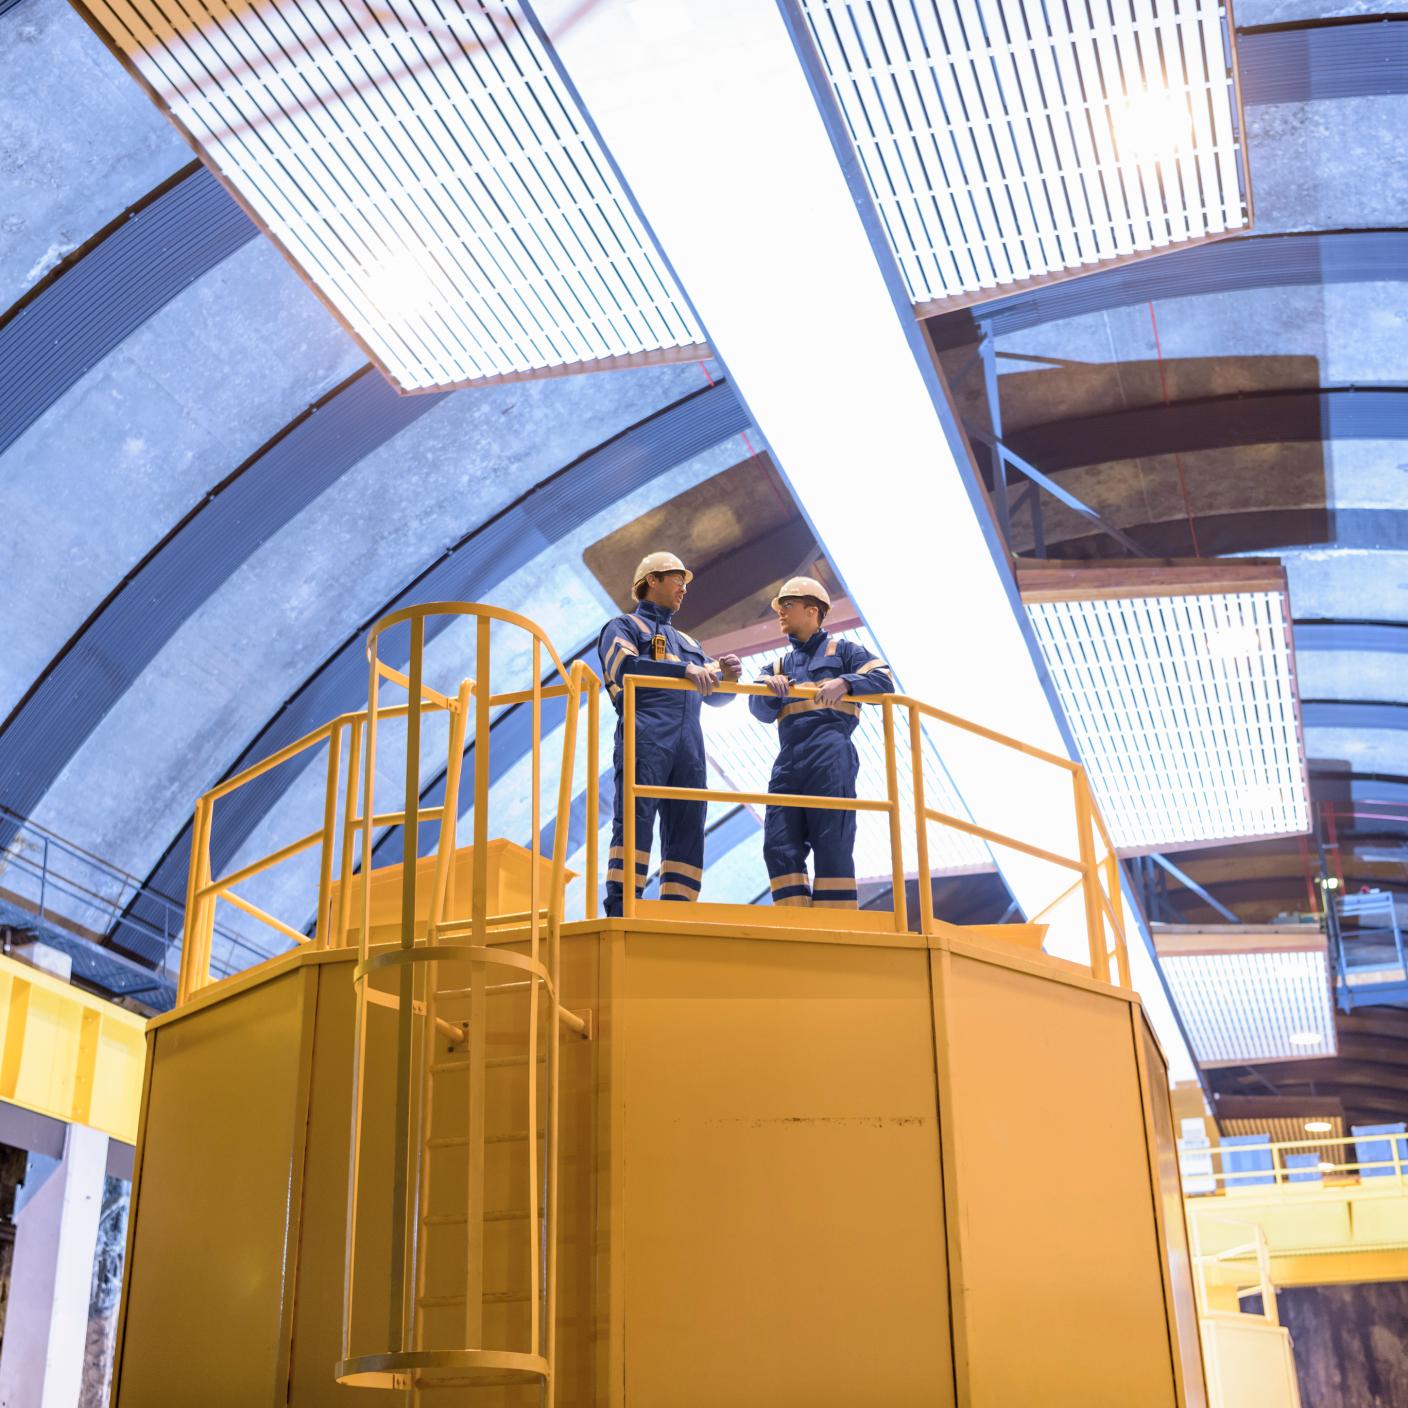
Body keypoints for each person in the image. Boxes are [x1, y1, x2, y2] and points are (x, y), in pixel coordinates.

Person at [598, 552, 742, 915]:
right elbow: (625, 666)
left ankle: (679, 909)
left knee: (689, 820)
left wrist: (728, 677)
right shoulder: (624, 627)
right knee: (636, 815)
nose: (683, 588)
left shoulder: (688, 643)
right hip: (646, 732)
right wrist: (684, 671)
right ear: (652, 581)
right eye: (677, 578)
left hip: (689, 744)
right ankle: (622, 905)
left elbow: (716, 698)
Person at [748, 577, 893, 908]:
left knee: (833, 839)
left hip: (831, 752)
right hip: (788, 760)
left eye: (787, 606)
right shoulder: (775, 666)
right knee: (778, 841)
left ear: (812, 611)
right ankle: (794, 918)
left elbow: (884, 680)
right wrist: (768, 689)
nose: (780, 614)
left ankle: (835, 920)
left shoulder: (844, 652)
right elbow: (758, 710)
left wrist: (845, 681)